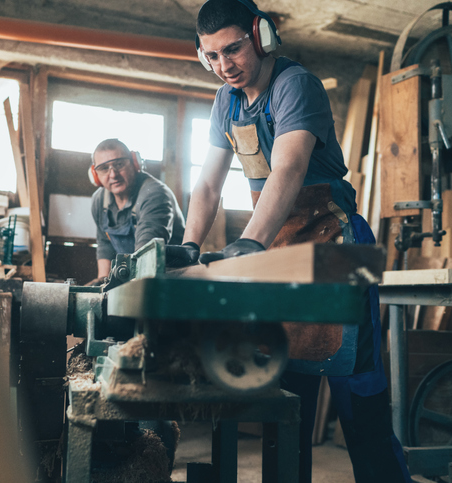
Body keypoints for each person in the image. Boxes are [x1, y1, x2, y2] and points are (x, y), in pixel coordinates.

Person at [167, 1, 411, 481]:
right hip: (280, 250)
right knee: (289, 402)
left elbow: (289, 169)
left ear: (262, 36)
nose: (224, 66)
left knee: (357, 394)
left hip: (335, 245)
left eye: (233, 50)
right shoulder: (225, 100)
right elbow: (209, 186)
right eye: (211, 57)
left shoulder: (295, 85)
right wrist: (188, 248)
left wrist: (251, 244)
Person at [90, 138, 186, 281]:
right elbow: (105, 243)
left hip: (171, 276)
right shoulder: (99, 200)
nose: (113, 174)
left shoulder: (154, 194)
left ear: (135, 163)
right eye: (104, 168)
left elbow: (146, 255)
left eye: (119, 164)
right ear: (95, 174)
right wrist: (103, 282)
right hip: (137, 272)